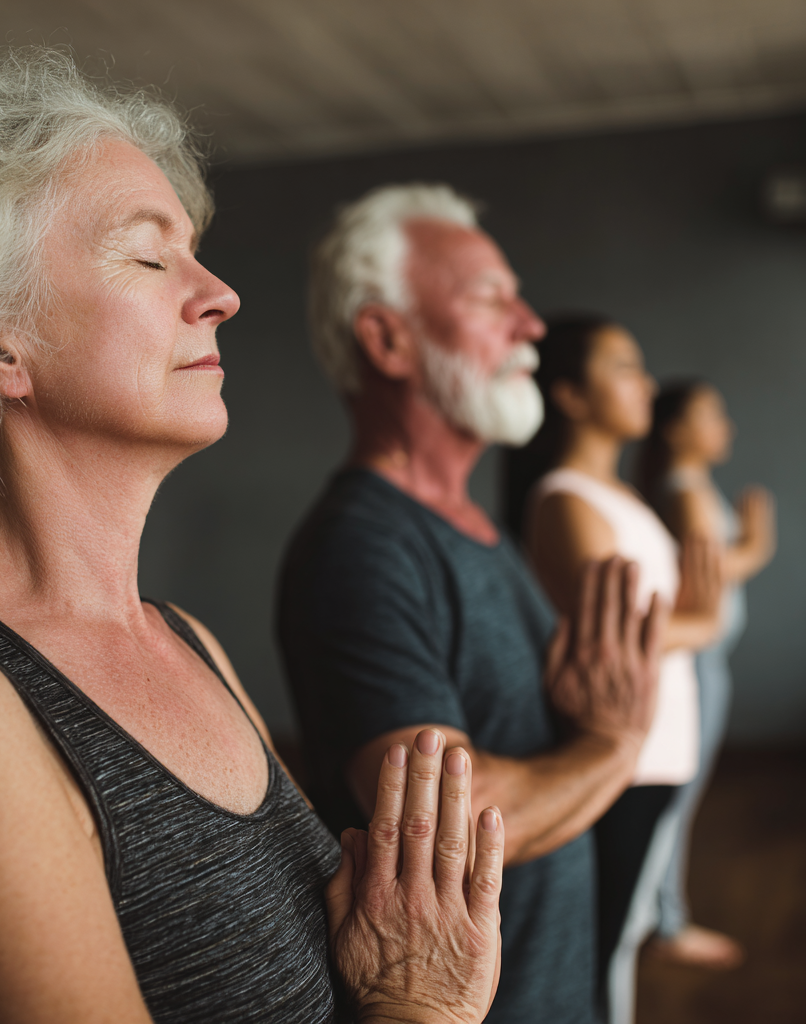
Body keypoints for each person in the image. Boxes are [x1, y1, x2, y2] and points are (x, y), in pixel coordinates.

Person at [0, 49, 508, 1024]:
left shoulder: (186, 641)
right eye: (146, 253)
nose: (219, 292)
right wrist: (421, 1004)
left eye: (195, 251)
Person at [278, 184, 664, 1024]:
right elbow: (450, 824)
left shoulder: (474, 527)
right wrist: (612, 745)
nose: (530, 326)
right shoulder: (363, 547)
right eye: (493, 298)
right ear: (388, 339)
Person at [506, 316, 723, 1024]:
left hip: (655, 748)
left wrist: (686, 615)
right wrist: (703, 619)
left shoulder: (621, 497)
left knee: (622, 935)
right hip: (622, 755)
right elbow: (617, 637)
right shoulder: (568, 499)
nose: (647, 385)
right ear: (568, 394)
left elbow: (656, 623)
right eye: (625, 367)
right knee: (603, 944)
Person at [640, 381, 775, 969]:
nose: (726, 426)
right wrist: (759, 539)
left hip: (702, 662)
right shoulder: (687, 493)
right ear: (674, 428)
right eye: (711, 414)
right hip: (696, 665)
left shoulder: (684, 488)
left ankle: (661, 914)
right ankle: (666, 921)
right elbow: (714, 581)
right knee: (679, 796)